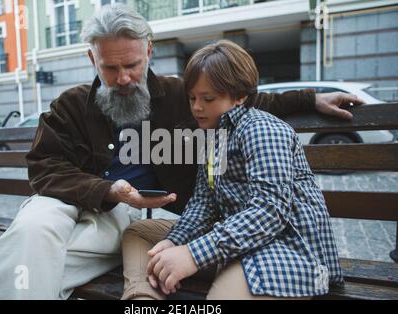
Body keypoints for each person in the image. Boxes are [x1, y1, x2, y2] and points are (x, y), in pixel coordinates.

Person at [0, 5, 357, 300]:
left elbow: (242, 103)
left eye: (132, 65)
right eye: (110, 69)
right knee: (37, 228)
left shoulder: (185, 96)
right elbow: (42, 167)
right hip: (70, 201)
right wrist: (107, 190)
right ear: (93, 59)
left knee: (67, 249)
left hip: (120, 217)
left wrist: (310, 97)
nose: (124, 78)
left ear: (150, 52)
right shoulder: (70, 105)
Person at [121, 40, 343, 300]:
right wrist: (175, 242)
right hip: (234, 239)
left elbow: (269, 211)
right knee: (139, 233)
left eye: (208, 98)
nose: (196, 107)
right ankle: (142, 300)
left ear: (240, 96)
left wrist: (193, 254)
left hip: (285, 248)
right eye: (192, 97)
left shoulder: (261, 129)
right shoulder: (213, 137)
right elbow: (203, 203)